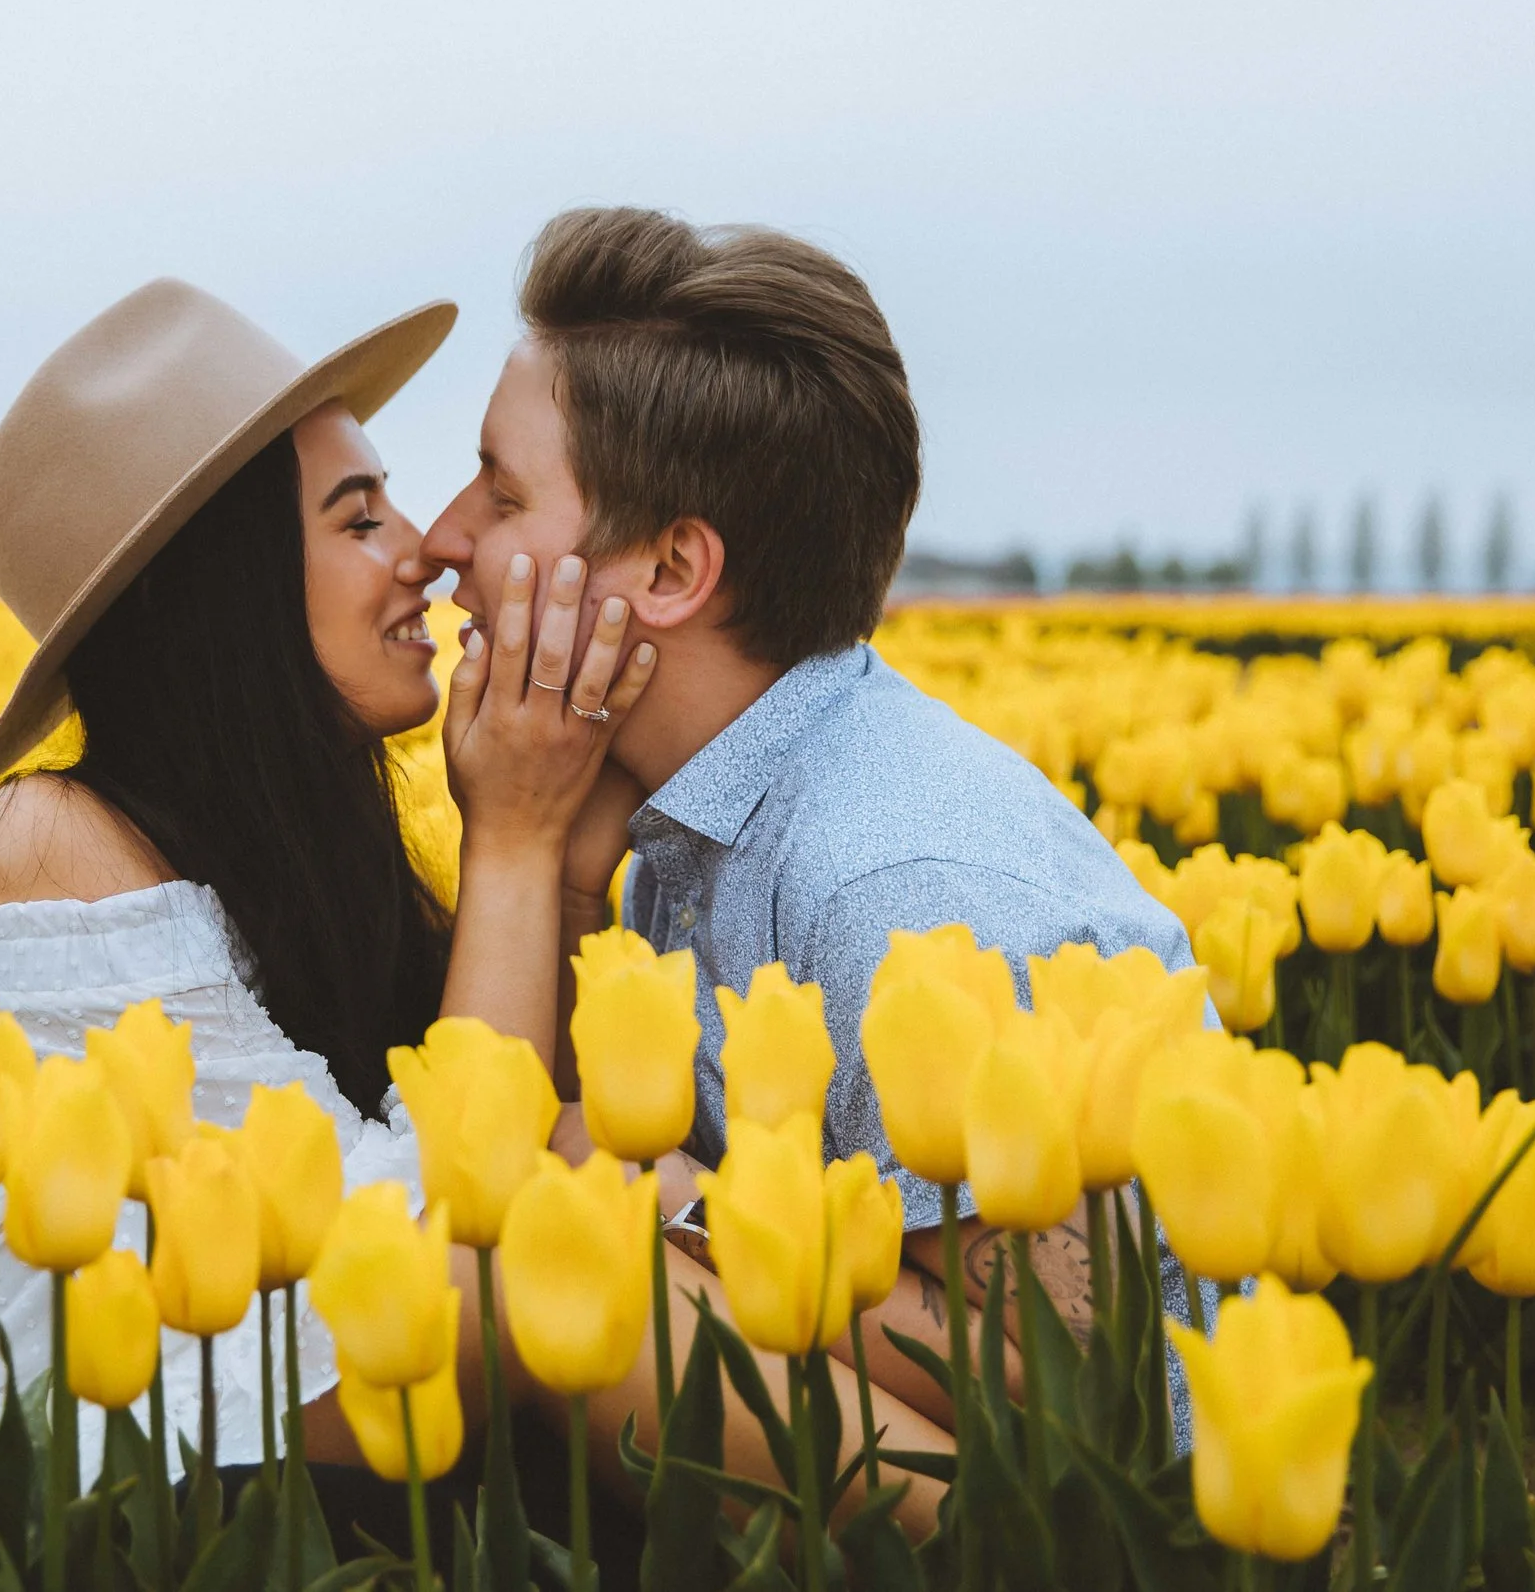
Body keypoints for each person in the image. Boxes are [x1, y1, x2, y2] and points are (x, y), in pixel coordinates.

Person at [0, 277, 954, 1561]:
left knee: (589, 1216)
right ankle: (1018, 1536)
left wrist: (558, 865)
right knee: (564, 1269)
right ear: (223, 593)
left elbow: (488, 1146)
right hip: (59, 1497)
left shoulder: (282, 837)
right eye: (358, 518)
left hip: (260, 1441)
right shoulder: (49, 846)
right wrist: (515, 835)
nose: (428, 547)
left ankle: (1025, 1491)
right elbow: (452, 1211)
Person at [420, 206, 1209, 1437]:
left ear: (673, 573)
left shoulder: (895, 882)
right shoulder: (697, 801)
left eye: (502, 493)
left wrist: (673, 1204)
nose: (443, 537)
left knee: (531, 1280)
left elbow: (1068, 1381)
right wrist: (567, 879)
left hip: (1115, 1522)